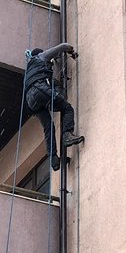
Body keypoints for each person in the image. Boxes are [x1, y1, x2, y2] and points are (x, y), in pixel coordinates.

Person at [25, 43, 84, 171]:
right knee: (67, 108)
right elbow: (63, 46)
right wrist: (71, 51)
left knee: (48, 127)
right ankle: (67, 135)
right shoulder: (41, 57)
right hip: (40, 90)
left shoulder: (30, 69)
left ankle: (53, 159)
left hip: (31, 101)